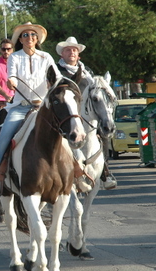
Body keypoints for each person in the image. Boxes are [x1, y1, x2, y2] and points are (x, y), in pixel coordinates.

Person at [0, 22, 62, 198]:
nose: (30, 38)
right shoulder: (15, 57)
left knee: (69, 131)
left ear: (37, 39)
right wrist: (11, 81)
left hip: (44, 107)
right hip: (21, 107)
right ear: (20, 39)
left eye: (33, 35)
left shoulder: (46, 57)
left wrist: (56, 84)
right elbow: (11, 74)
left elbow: (57, 77)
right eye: (26, 35)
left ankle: (77, 171)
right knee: (3, 137)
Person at [56, 36, 117, 190]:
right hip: (65, 111)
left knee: (102, 132)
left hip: (85, 111)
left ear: (79, 55)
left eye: (74, 50)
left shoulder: (87, 71)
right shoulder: (57, 71)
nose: (71, 52)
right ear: (61, 54)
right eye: (68, 50)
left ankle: (105, 172)